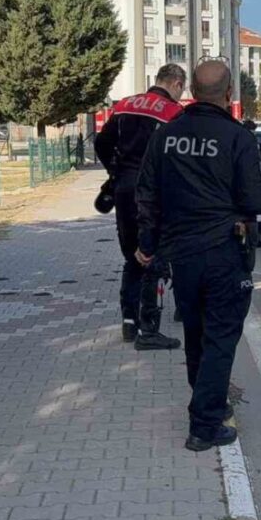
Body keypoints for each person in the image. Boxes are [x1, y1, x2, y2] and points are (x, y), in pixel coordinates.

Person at [136, 60, 261, 451]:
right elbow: (258, 198)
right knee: (221, 338)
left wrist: (148, 244)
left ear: (192, 90)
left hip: (183, 256)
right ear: (229, 94)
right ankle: (205, 425)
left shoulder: (168, 134)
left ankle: (204, 406)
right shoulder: (237, 138)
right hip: (224, 253)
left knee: (196, 335)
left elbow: (147, 192)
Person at [94, 64, 186, 350]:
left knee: (131, 257)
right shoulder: (173, 112)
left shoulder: (124, 105)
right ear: (176, 83)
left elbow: (101, 142)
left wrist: (115, 171)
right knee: (152, 257)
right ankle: (149, 329)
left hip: (123, 190)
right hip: (152, 194)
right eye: (181, 89)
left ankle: (129, 322)